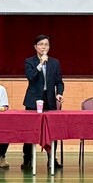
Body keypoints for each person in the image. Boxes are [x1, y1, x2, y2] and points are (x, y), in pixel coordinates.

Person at [22, 35, 64, 171]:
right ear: (35, 47)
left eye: (46, 44)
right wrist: (40, 64)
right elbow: (31, 77)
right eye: (41, 44)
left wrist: (59, 93)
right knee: (29, 130)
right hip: (33, 100)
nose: (44, 47)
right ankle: (27, 159)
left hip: (49, 99)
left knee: (52, 131)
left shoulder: (55, 63)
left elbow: (59, 82)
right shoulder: (29, 61)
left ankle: (52, 159)